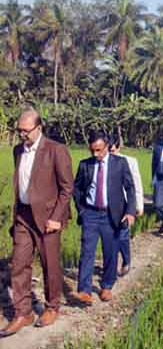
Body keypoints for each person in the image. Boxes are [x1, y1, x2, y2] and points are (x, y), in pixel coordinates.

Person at [0, 110, 73, 337]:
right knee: (19, 263)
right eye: (19, 130)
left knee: (50, 264)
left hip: (47, 219)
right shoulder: (17, 151)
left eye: (26, 130)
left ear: (39, 127)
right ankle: (24, 312)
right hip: (23, 216)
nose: (22, 134)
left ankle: (52, 307)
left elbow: (66, 188)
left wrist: (56, 218)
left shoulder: (56, 150)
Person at [73, 131, 136, 304]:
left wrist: (130, 211)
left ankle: (107, 286)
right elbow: (76, 188)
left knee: (110, 252)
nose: (96, 154)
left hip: (112, 215)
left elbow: (130, 188)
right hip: (91, 214)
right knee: (87, 252)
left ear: (107, 147)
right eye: (92, 150)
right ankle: (85, 290)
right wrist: (82, 211)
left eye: (99, 150)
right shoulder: (85, 165)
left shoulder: (120, 163)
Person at [109, 136, 144, 277]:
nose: (111, 153)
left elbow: (136, 184)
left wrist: (138, 205)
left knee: (123, 234)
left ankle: (126, 261)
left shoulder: (129, 161)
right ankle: (111, 265)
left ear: (118, 148)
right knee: (110, 235)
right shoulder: (103, 161)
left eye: (113, 150)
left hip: (125, 204)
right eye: (109, 150)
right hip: (109, 205)